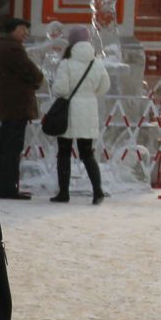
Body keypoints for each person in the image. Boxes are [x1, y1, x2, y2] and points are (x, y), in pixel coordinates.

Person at [51, 27, 110, 204]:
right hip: (88, 109)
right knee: (86, 153)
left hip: (68, 111)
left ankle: (63, 193)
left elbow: (61, 89)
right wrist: (90, 96)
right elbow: (105, 86)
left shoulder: (66, 63)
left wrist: (55, 88)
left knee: (64, 153)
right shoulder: (97, 62)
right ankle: (97, 191)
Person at [0, 18, 42, 200]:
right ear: (12, 30)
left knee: (5, 146)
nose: (25, 33)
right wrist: (39, 78)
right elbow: (31, 72)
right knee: (12, 147)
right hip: (16, 104)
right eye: (23, 29)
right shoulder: (12, 48)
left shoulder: (2, 46)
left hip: (8, 103)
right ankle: (8, 186)